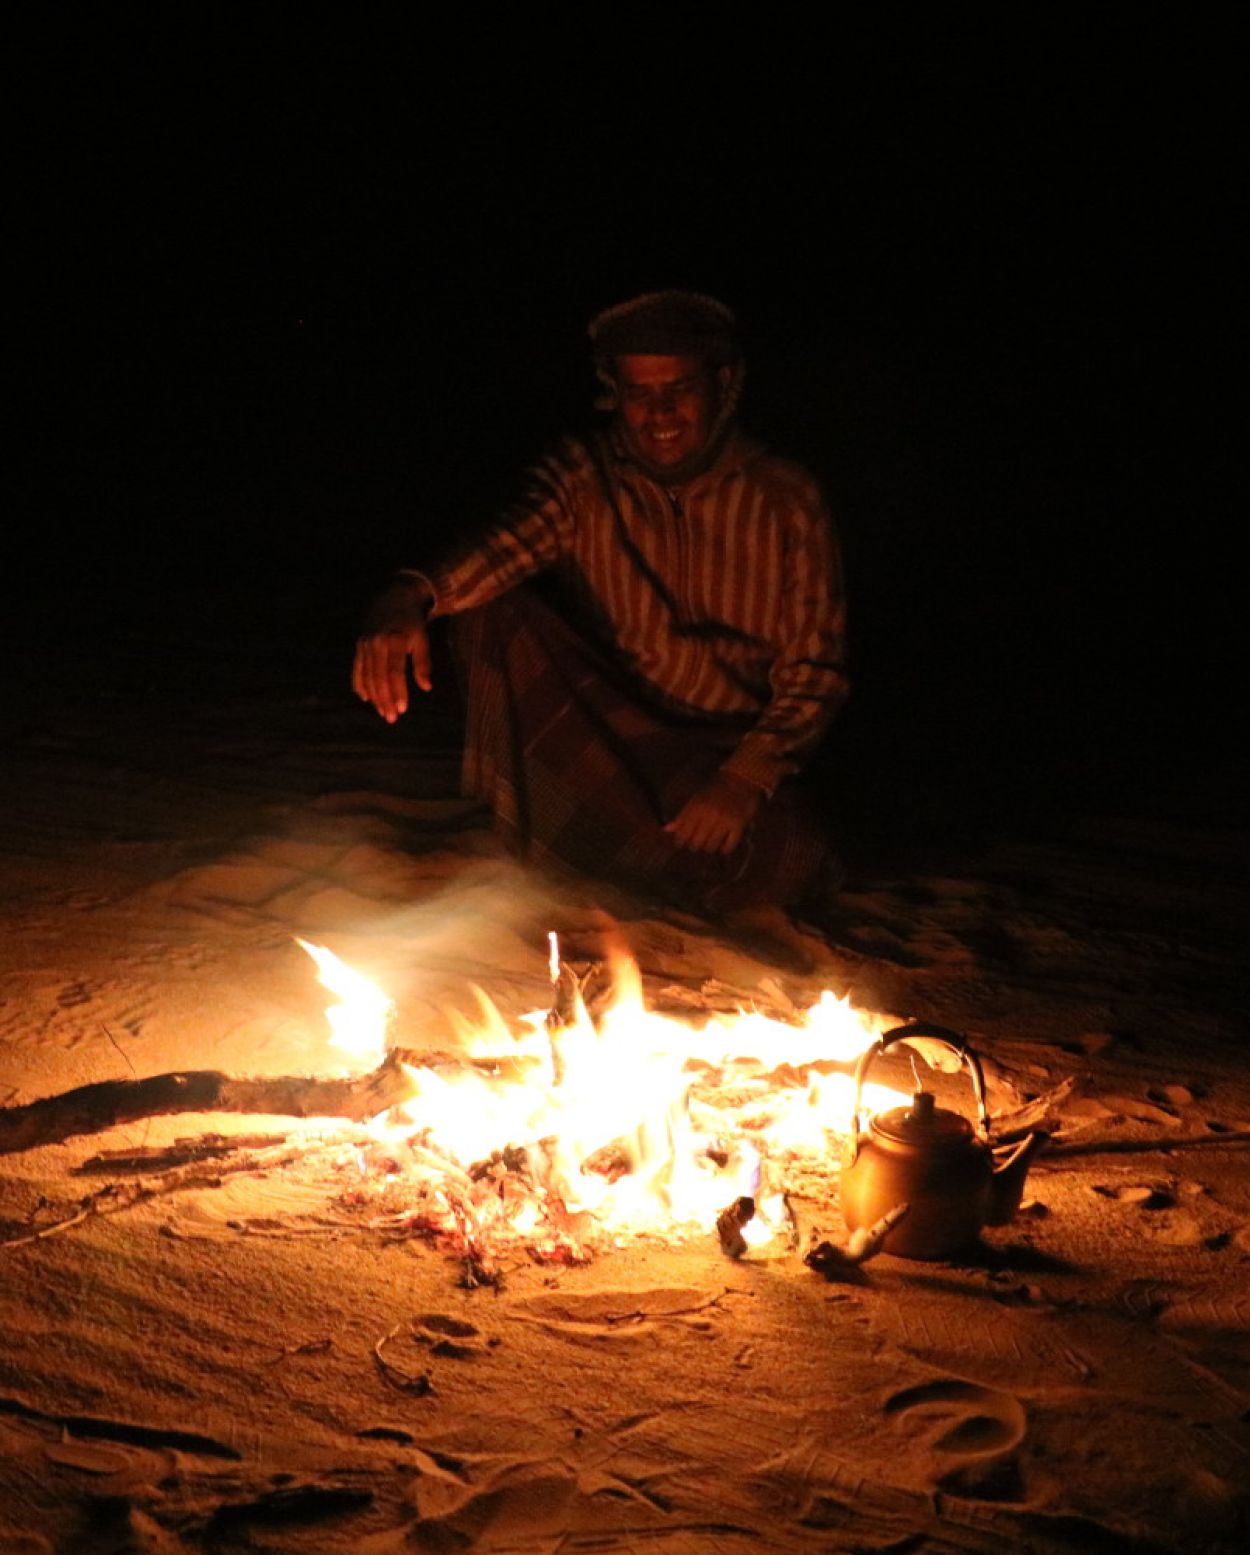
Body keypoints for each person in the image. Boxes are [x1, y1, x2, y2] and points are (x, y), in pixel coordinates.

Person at [353, 290, 847, 920]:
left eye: (679, 389)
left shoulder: (787, 496)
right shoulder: (584, 476)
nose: (660, 413)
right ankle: (540, 841)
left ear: (722, 384)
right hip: (613, 726)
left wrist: (741, 779)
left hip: (723, 745)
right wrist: (411, 593)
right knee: (488, 611)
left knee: (790, 853)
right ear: (614, 391)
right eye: (640, 393)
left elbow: (817, 671)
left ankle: (617, 855)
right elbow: (504, 543)